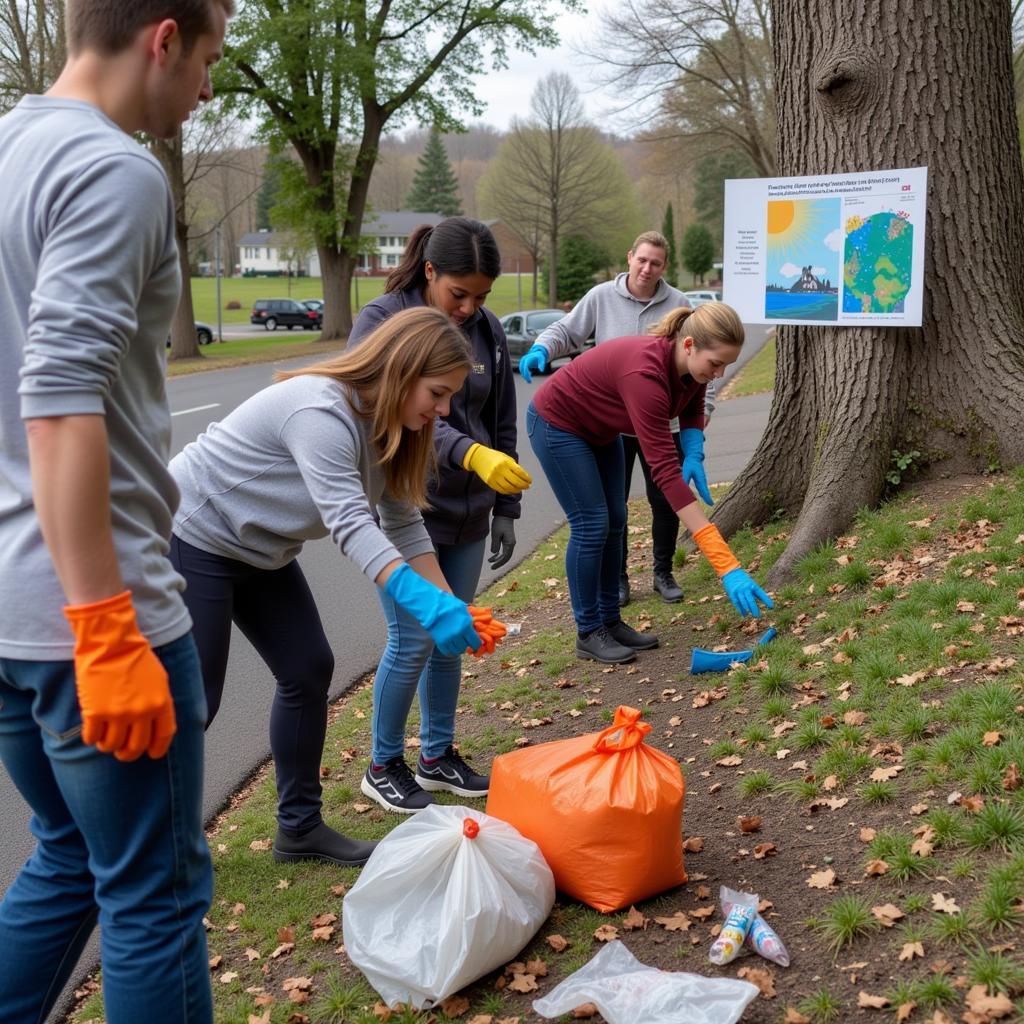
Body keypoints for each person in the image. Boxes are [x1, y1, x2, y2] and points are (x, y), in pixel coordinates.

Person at [0, 2, 232, 1021]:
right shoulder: (114, 170)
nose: (209, 88)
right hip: (94, 612)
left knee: (68, 853)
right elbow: (57, 400)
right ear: (163, 37)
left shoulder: (8, 149)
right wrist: (102, 625)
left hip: (8, 612)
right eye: (212, 58)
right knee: (155, 897)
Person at [169, 308, 492, 861]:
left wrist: (451, 603)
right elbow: (349, 522)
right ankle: (158, 845)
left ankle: (299, 829)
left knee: (308, 668)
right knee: (195, 699)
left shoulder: (395, 426)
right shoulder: (320, 409)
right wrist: (427, 606)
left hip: (260, 548)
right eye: (437, 394)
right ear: (401, 369)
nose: (443, 411)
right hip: (195, 532)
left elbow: (403, 523)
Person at [348, 218, 530, 814]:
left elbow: (500, 418)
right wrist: (469, 454)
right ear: (430, 270)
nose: (469, 308)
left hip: (470, 508)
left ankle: (437, 754)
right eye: (459, 294)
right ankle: (383, 764)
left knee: (455, 633)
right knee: (414, 637)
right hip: (406, 501)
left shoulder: (487, 330)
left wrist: (506, 504)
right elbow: (411, 413)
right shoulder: (383, 322)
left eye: (481, 297)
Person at [526, 303, 772, 665]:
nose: (718, 372)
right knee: (592, 523)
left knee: (616, 520)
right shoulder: (646, 376)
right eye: (715, 363)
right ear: (689, 345)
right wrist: (725, 563)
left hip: (601, 429)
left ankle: (611, 619)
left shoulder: (690, 368)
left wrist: (694, 449)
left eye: (725, 365)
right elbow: (663, 472)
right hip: (558, 424)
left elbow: (691, 403)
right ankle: (588, 631)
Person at [519, 231, 716, 608]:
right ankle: (619, 581)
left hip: (664, 423)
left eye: (655, 263)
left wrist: (696, 437)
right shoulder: (601, 297)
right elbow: (568, 330)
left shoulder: (679, 303)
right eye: (642, 260)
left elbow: (697, 378)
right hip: (613, 422)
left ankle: (662, 571)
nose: (647, 268)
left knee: (663, 500)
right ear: (630, 257)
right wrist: (542, 347)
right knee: (613, 509)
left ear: (665, 267)